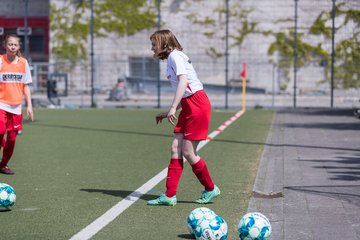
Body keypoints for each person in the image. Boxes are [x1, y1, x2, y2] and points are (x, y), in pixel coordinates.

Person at [147, 29, 220, 206]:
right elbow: (185, 91)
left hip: (197, 105)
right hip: (189, 105)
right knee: (175, 148)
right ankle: (169, 195)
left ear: (164, 43)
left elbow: (184, 82)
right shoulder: (173, 58)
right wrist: (170, 110)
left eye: (154, 44)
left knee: (188, 152)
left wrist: (173, 108)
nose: (152, 48)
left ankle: (211, 189)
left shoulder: (175, 56)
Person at [0, 34, 34, 175]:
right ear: (5, 46)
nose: (12, 46)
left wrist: (30, 106)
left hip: (16, 107)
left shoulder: (23, 63)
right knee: (1, 131)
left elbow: (25, 86)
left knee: (12, 139)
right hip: (1, 105)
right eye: (10, 44)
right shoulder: (0, 61)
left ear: (19, 47)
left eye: (15, 44)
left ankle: (3, 165)